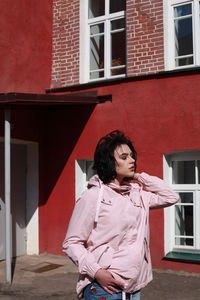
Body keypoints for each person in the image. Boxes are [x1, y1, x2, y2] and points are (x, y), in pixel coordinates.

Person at [62, 130, 179, 300]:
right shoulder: (93, 196)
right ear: (110, 162)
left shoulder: (137, 194)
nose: (131, 161)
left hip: (133, 286)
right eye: (124, 157)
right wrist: (97, 272)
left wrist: (139, 177)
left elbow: (171, 197)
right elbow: (71, 243)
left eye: (132, 156)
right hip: (103, 286)